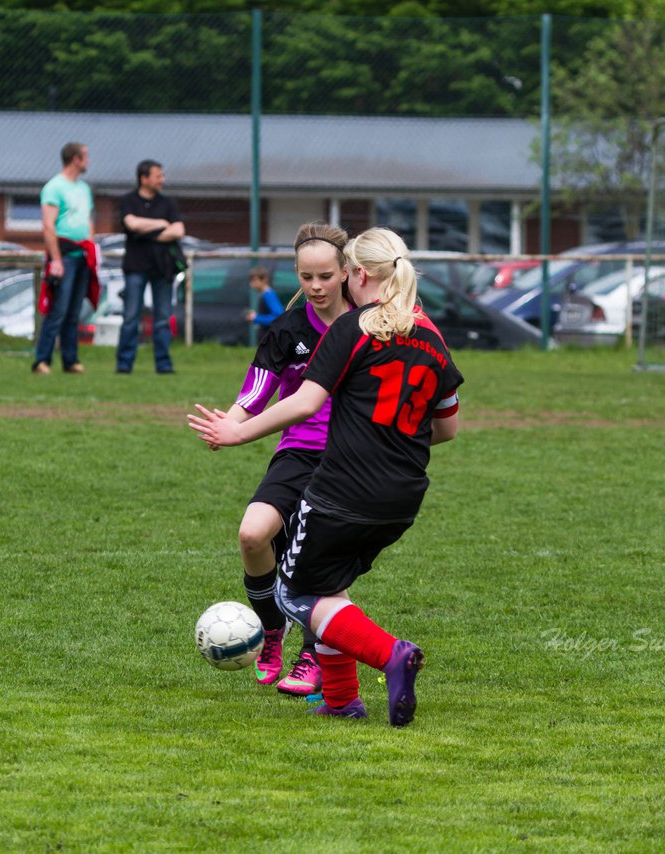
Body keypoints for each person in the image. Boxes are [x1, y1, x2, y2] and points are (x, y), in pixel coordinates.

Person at [189, 227, 463, 727]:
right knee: (329, 585)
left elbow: (307, 401)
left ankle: (389, 654)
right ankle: (341, 700)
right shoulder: (431, 335)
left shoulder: (354, 327)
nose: (317, 285)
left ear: (354, 274)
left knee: (297, 592)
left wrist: (240, 433)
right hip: (405, 493)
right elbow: (446, 428)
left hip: (344, 484)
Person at [223, 222, 352, 697]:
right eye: (306, 277)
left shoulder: (365, 322)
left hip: (347, 459)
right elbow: (256, 389)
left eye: (324, 276)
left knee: (317, 560)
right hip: (297, 451)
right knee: (253, 535)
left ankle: (310, 657)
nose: (315, 287)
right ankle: (271, 629)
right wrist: (230, 423)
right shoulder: (287, 330)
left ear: (344, 273)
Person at [116, 159, 184, 375]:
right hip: (135, 267)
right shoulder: (128, 200)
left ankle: (163, 364)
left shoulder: (168, 203)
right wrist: (161, 224)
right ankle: (124, 363)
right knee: (131, 317)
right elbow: (131, 224)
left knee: (162, 318)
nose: (161, 180)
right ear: (144, 178)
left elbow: (178, 230)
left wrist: (146, 230)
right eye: (158, 176)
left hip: (162, 268)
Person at [34, 141, 95, 375]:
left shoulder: (84, 188)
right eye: (85, 156)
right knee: (57, 309)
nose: (88, 161)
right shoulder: (54, 187)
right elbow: (48, 226)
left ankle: (70, 360)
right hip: (64, 255)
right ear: (75, 159)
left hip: (83, 256)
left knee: (74, 310)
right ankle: (42, 360)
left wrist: (91, 248)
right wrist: (56, 260)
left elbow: (87, 220)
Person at [243, 266, 284, 331]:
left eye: (254, 280)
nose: (251, 284)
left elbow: (278, 317)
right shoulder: (263, 294)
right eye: (251, 281)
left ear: (265, 279)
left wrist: (256, 318)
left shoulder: (268, 295)